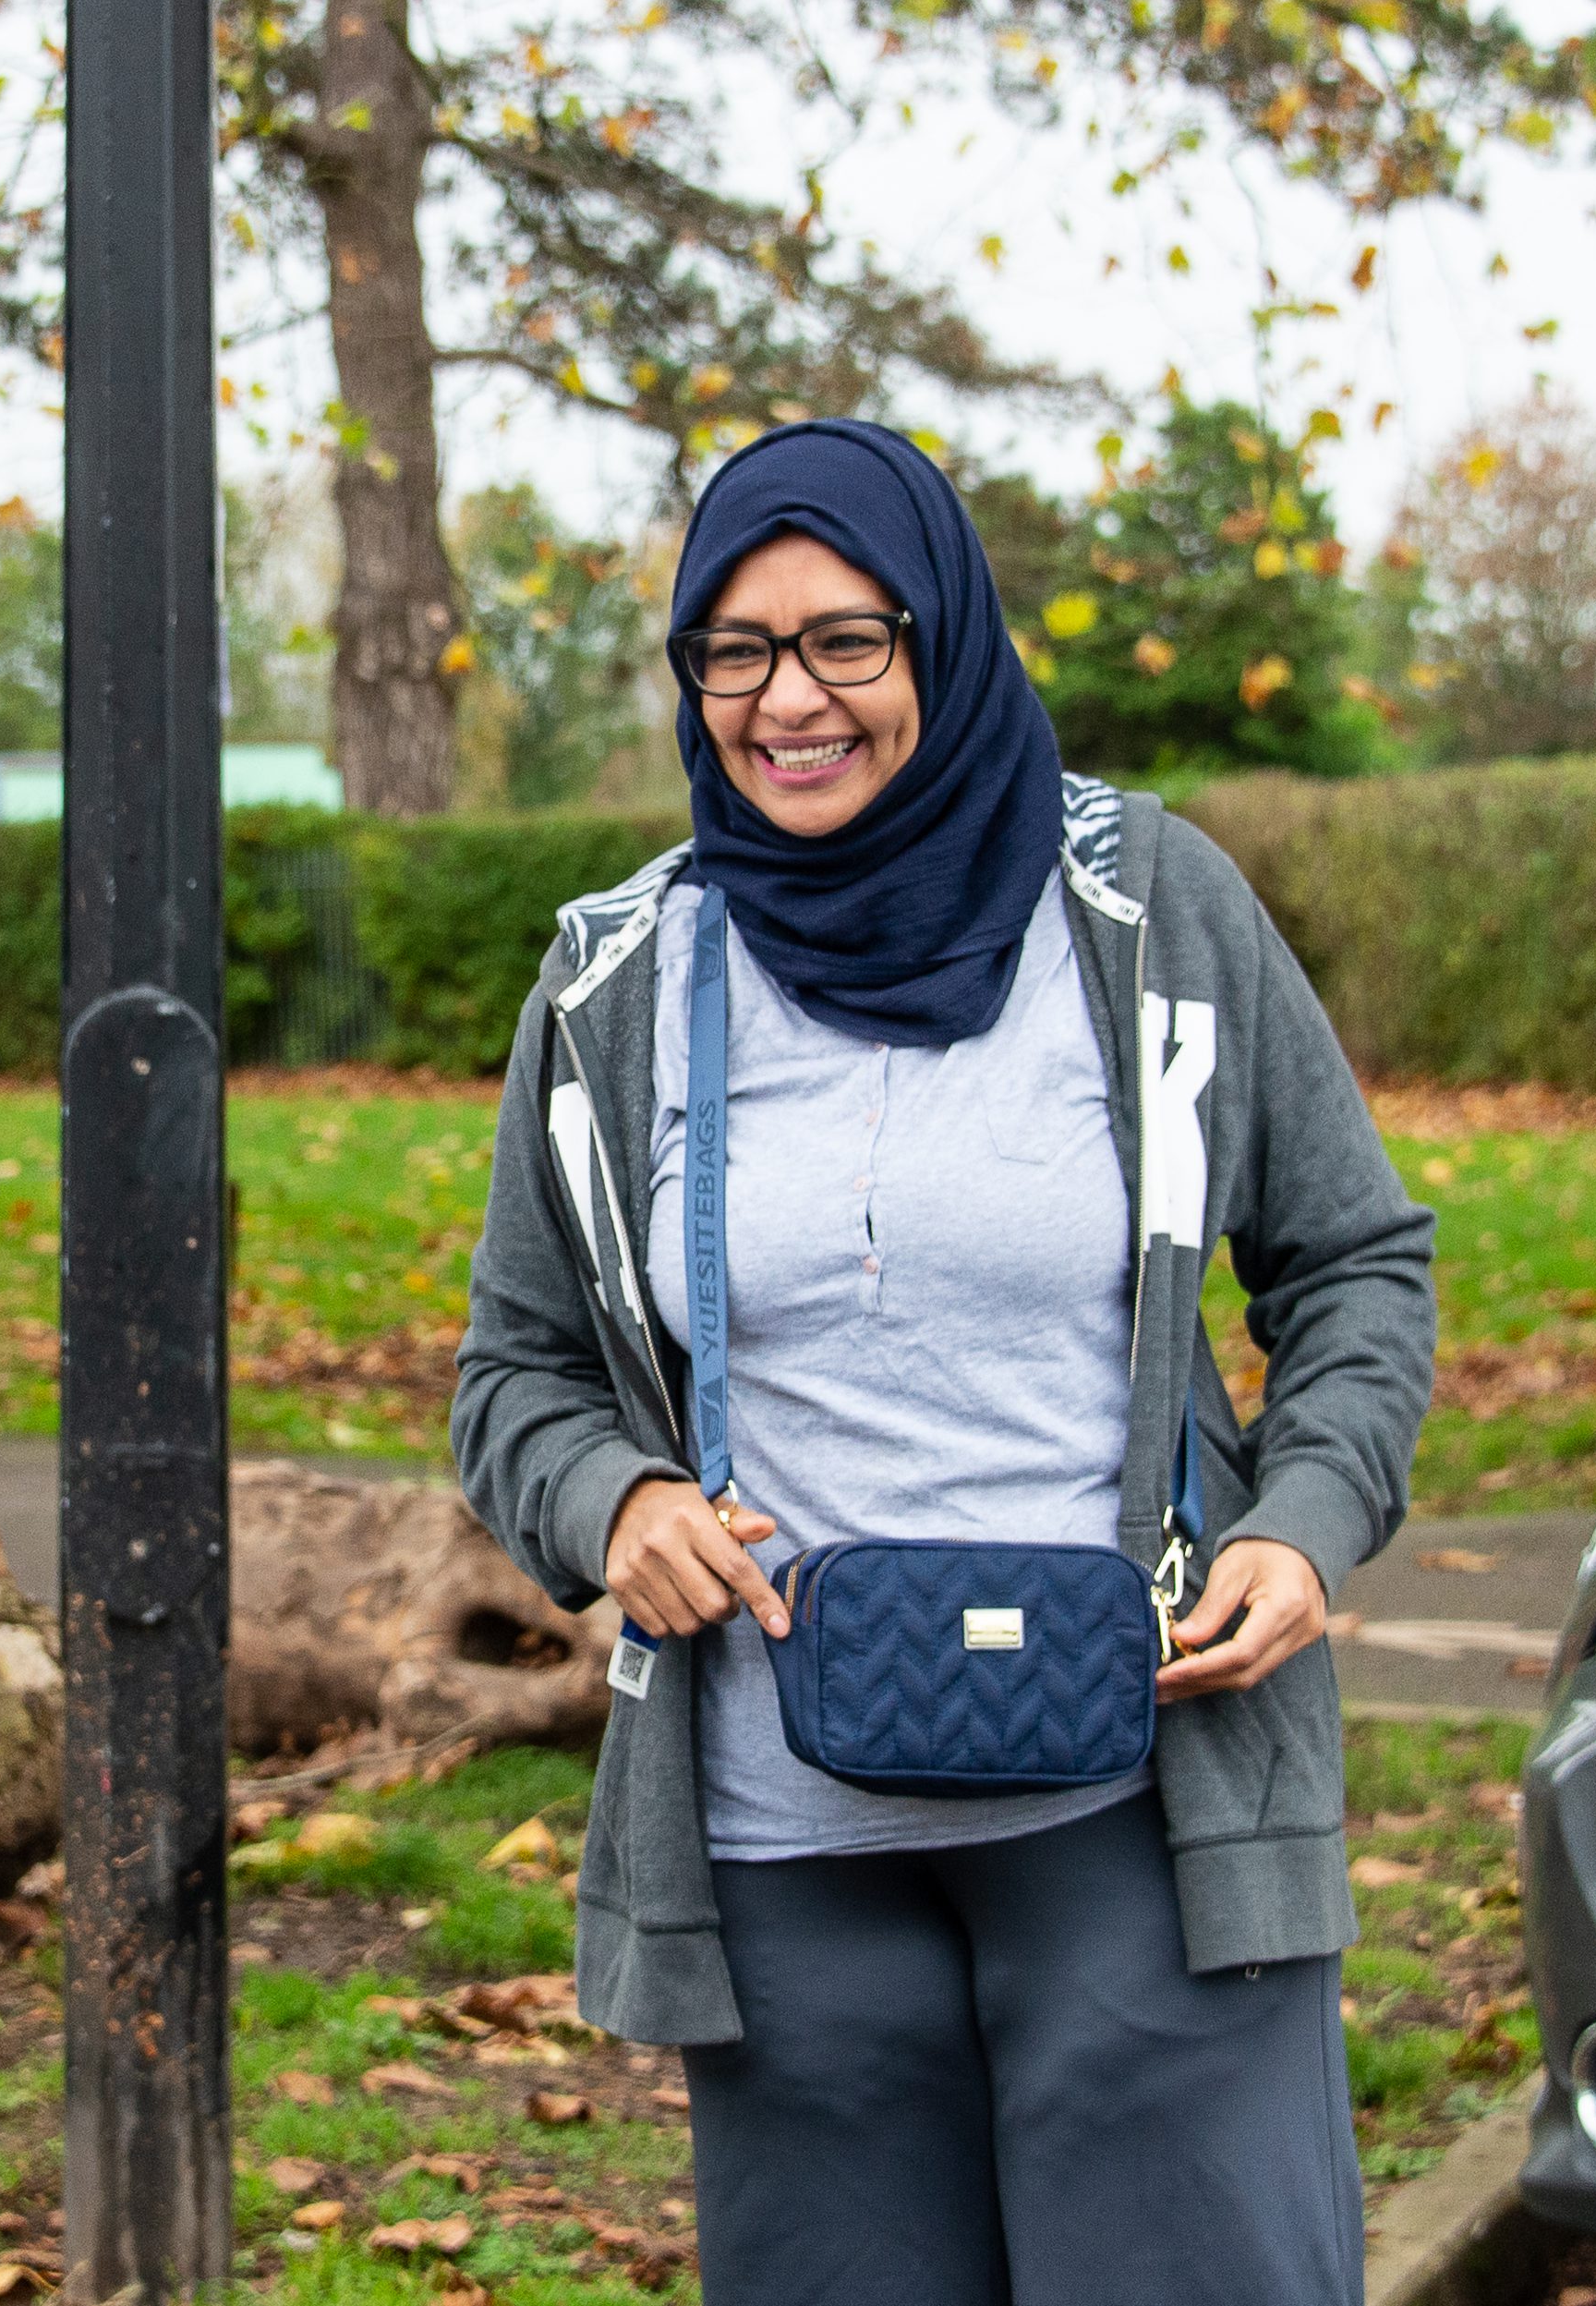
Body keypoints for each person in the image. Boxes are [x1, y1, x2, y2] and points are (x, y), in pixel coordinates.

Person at [453, 419, 1436, 2305]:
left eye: (844, 637)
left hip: (1141, 1804)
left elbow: (1351, 1258)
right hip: (779, 1832)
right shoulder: (621, 976)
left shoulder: (1147, 914)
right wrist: (613, 1499)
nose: (784, 697)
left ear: (943, 638)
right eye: (730, 649)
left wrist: (1303, 1519)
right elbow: (514, 1369)